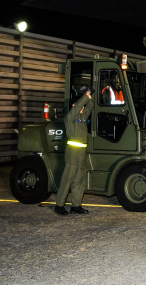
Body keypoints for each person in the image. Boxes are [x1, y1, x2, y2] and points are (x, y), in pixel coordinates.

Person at [55, 87, 94, 215]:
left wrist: (88, 95)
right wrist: (84, 97)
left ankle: (76, 205)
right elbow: (78, 107)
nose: (82, 109)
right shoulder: (70, 117)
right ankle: (59, 205)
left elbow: (90, 106)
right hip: (72, 153)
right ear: (74, 106)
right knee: (68, 179)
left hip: (81, 153)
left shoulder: (82, 118)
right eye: (78, 106)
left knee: (79, 180)